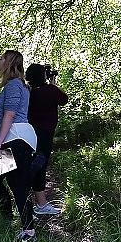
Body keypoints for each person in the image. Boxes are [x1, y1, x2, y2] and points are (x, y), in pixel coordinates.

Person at [0, 50, 38, 242]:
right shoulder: (14, 85)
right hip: (13, 138)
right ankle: (9, 220)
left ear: (9, 63)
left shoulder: (14, 85)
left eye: (1, 58)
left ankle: (28, 232)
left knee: (18, 185)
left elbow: (10, 114)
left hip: (15, 139)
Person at [25, 63, 69, 216]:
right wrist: (53, 84)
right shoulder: (50, 90)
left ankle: (35, 201)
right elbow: (63, 100)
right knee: (39, 166)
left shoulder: (27, 91)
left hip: (28, 133)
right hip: (44, 134)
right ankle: (40, 204)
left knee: (33, 163)